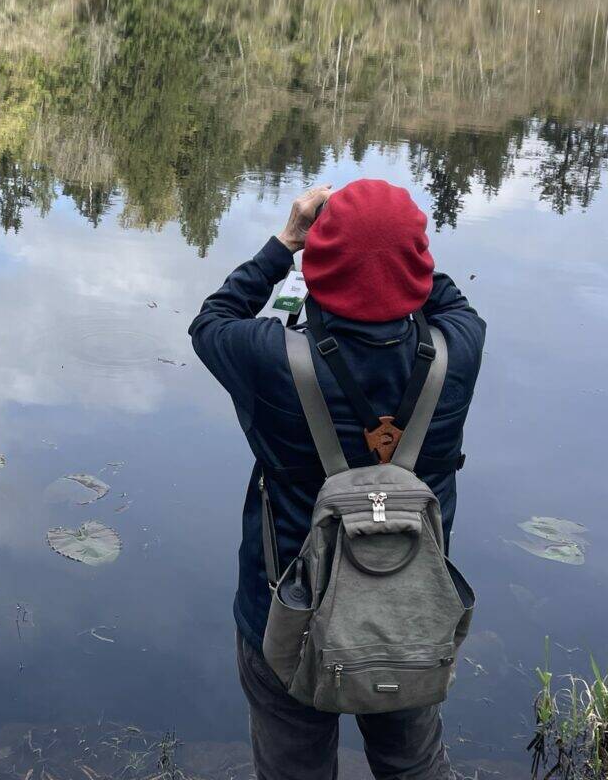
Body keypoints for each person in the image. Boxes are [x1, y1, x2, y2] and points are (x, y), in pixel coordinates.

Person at [189, 179, 486, 780]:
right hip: (411, 616)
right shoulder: (460, 351)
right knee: (414, 768)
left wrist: (286, 242)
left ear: (320, 264)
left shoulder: (271, 359)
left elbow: (211, 319)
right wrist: (394, 241)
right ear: (415, 265)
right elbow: (443, 296)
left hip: (285, 615)